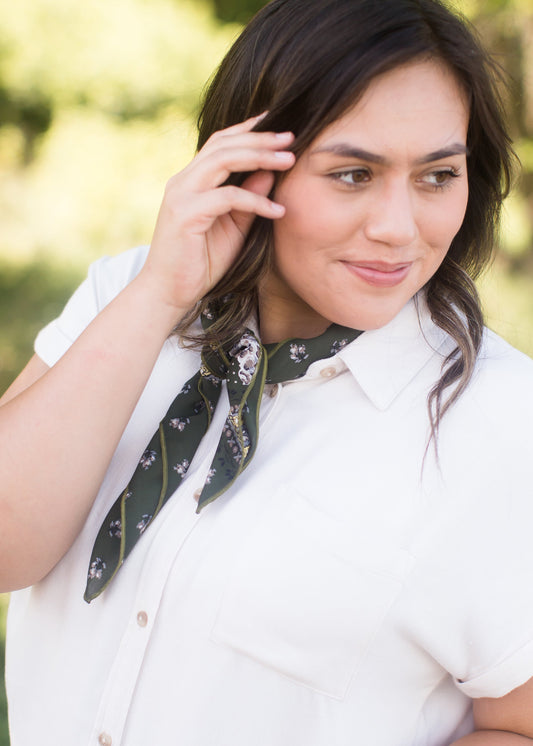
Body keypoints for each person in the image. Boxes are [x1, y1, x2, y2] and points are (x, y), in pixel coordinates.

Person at [1, 0, 533, 743]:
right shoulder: (129, 299)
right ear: (249, 167)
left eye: (437, 175)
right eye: (353, 174)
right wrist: (158, 295)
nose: (398, 228)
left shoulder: (502, 425)